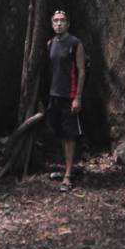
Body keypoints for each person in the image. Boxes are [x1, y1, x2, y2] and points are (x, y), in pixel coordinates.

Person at [47, 10, 85, 192]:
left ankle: (68, 176)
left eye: (62, 20)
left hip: (69, 96)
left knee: (70, 136)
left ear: (68, 24)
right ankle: (65, 170)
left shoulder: (75, 44)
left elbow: (81, 71)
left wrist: (77, 97)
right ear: (52, 24)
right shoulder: (51, 44)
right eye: (56, 21)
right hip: (54, 95)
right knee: (61, 134)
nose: (59, 24)